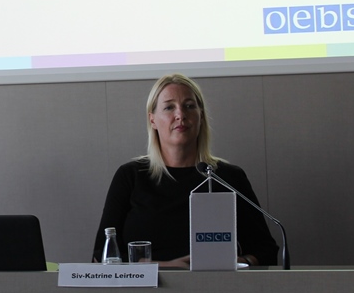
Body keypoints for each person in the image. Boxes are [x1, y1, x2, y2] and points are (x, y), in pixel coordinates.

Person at [93, 73, 278, 267]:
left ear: (201, 116)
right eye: (169, 107)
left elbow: (266, 251)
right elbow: (101, 255)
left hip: (214, 284)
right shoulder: (130, 176)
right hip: (148, 286)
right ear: (152, 120)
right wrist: (165, 267)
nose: (180, 115)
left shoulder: (228, 177)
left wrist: (240, 262)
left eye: (189, 106)